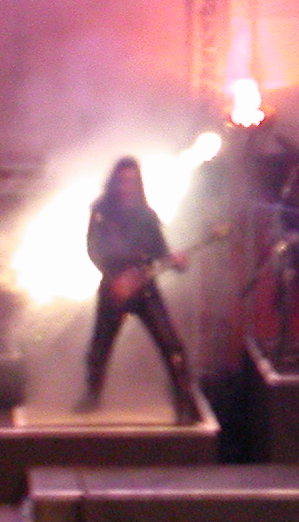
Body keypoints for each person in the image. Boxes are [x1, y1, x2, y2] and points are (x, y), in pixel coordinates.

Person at [77, 156, 197, 423]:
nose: (126, 186)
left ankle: (185, 404)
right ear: (114, 182)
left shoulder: (147, 215)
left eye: (131, 181)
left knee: (171, 345)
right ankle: (92, 395)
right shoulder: (101, 212)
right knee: (100, 346)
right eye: (122, 180)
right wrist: (115, 278)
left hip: (145, 287)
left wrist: (178, 262)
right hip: (114, 288)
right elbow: (93, 249)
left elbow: (161, 253)